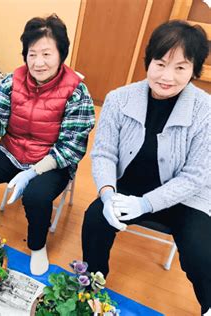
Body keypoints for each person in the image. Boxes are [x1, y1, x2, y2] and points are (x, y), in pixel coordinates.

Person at [82, 20, 210, 314]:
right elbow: (103, 154)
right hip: (128, 188)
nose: (167, 76)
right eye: (161, 63)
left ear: (194, 71)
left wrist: (146, 204)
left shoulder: (206, 111)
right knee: (94, 222)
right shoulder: (118, 99)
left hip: (183, 196)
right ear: (148, 61)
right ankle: (91, 285)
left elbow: (196, 176)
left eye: (181, 67)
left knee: (202, 254)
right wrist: (107, 194)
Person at [0, 14, 95, 275]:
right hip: (12, 152)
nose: (38, 62)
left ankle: (37, 245)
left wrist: (32, 172)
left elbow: (72, 148)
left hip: (51, 162)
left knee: (35, 196)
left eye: (46, 54)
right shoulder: (12, 81)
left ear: (61, 55)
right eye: (32, 54)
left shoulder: (77, 92)